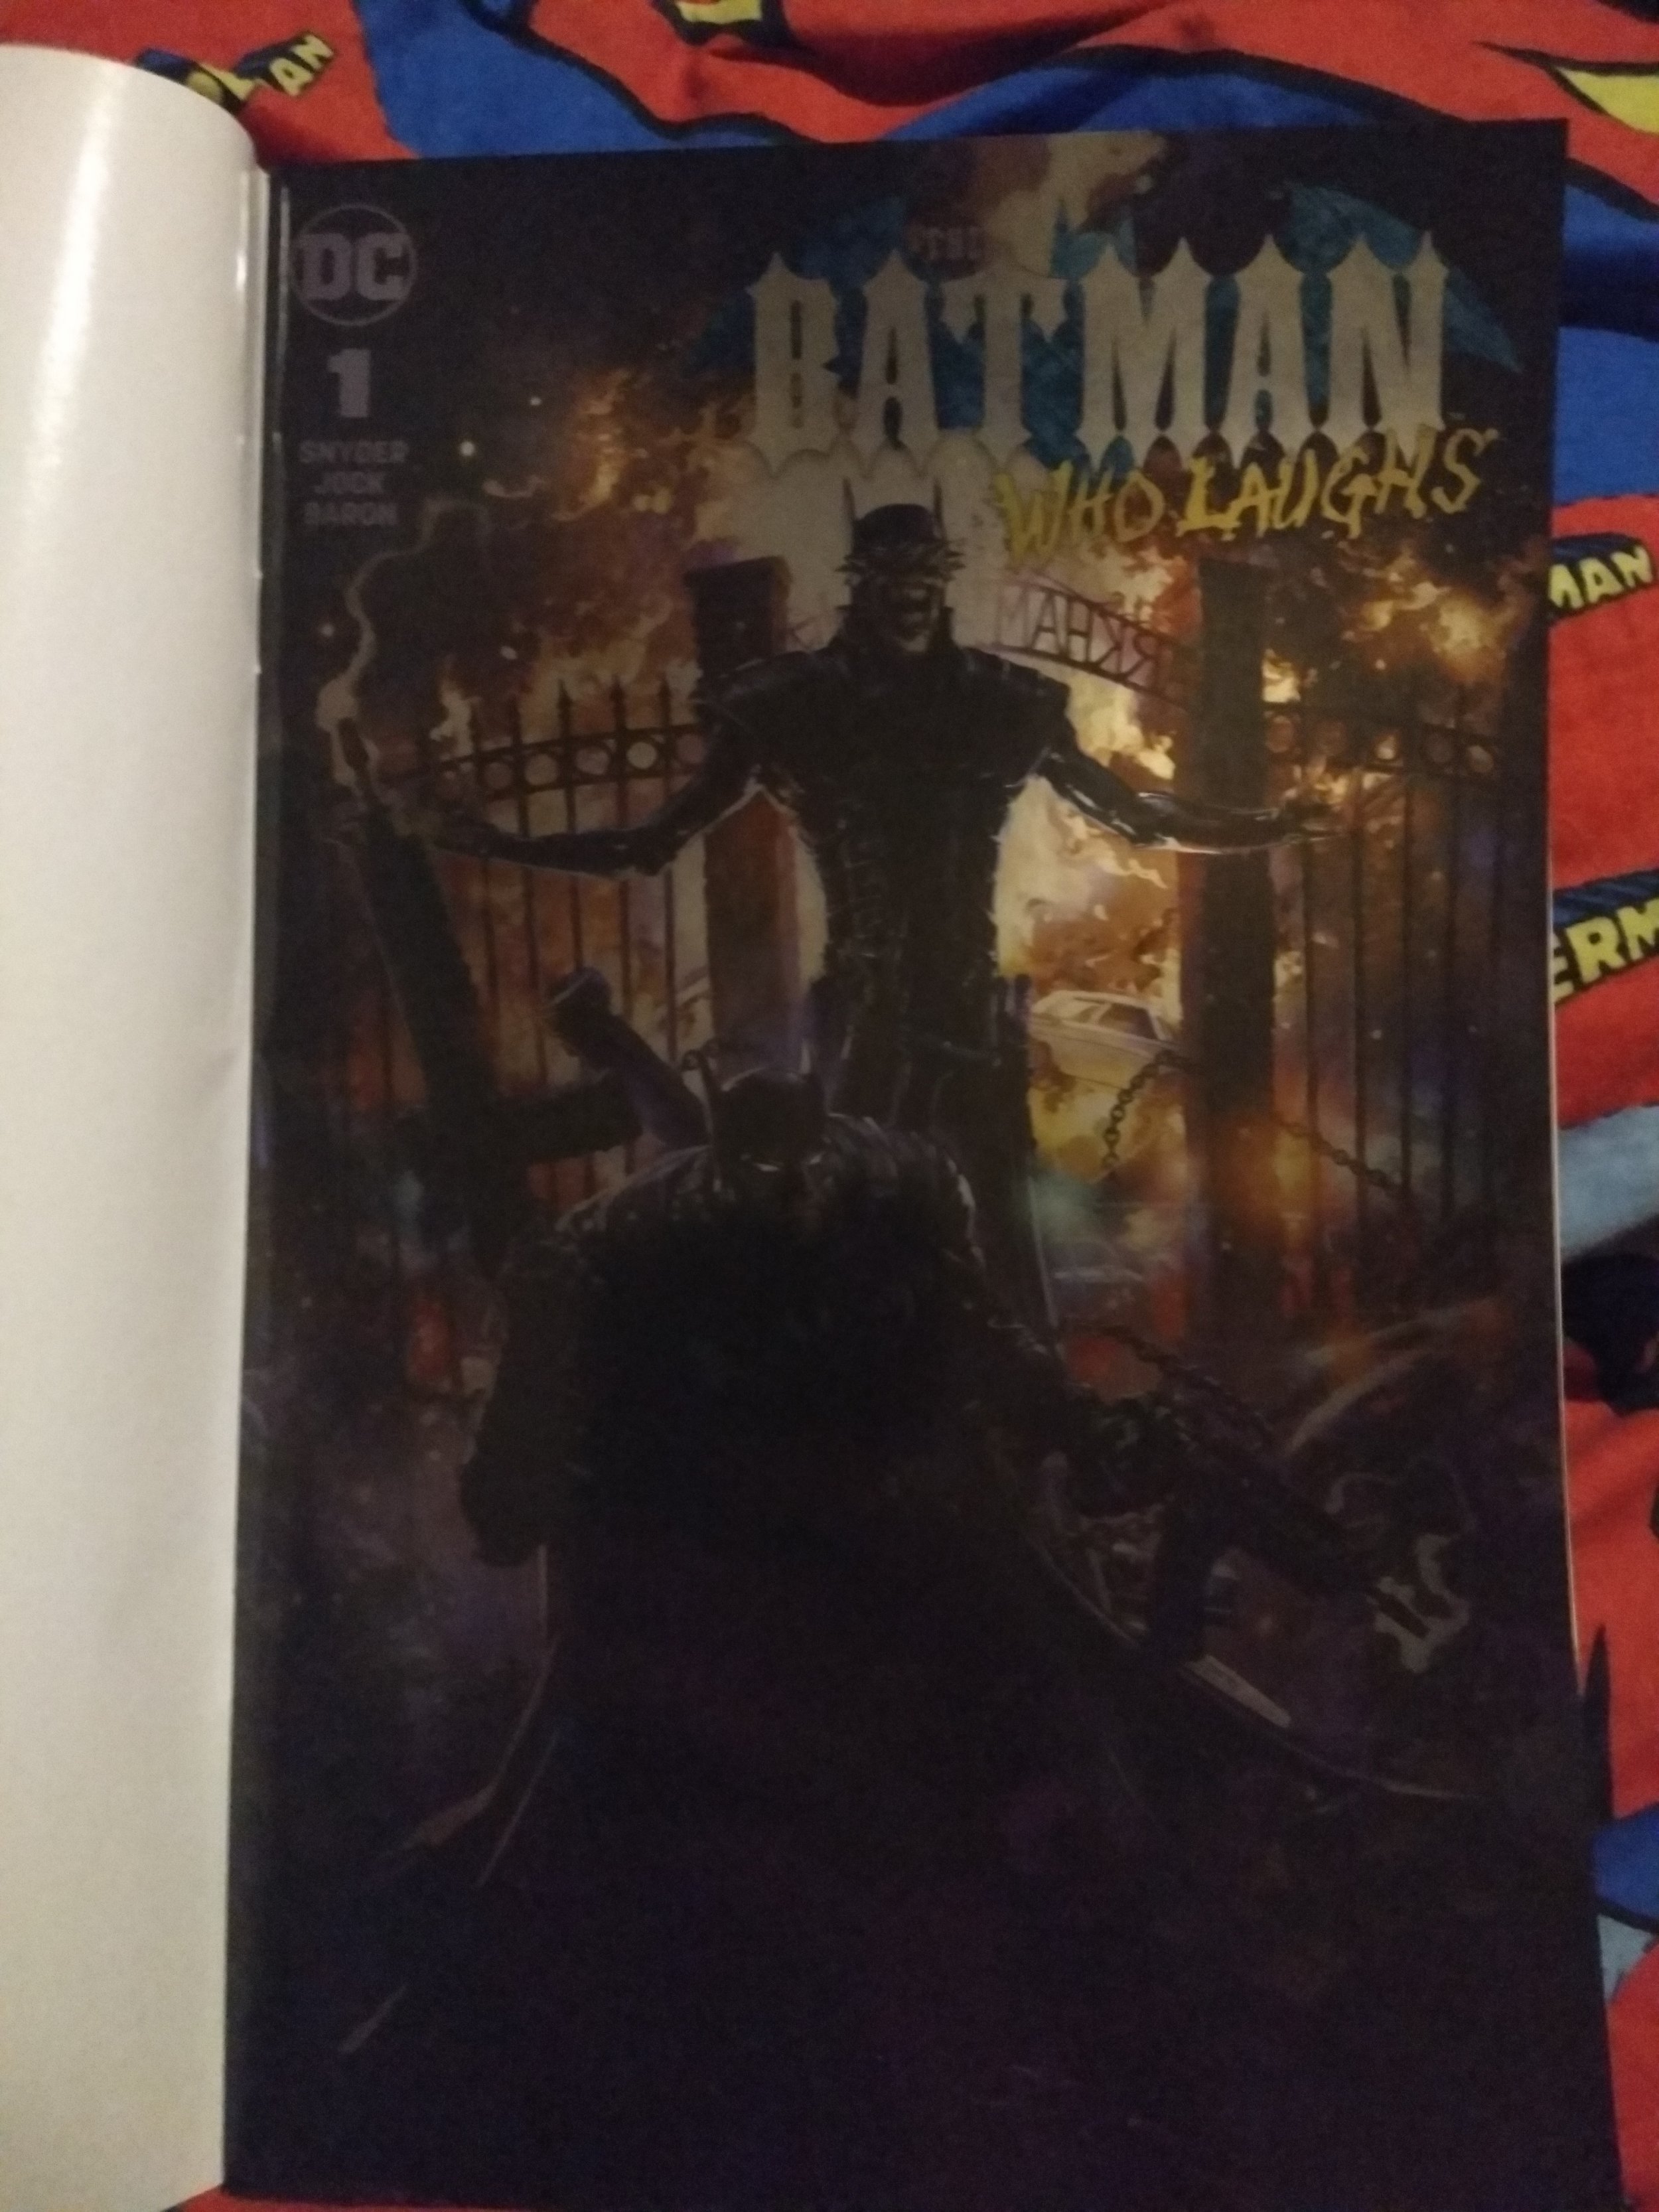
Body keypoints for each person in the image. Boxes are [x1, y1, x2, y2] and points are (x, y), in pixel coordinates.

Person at [430, 499, 1329, 1313]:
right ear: (861, 586)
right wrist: (497, 845)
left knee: (1004, 1244)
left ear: (943, 585)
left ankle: (1020, 1409)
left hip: (970, 1013)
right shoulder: (793, 705)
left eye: (925, 579)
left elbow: (1136, 814)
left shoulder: (1001, 704)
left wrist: (1271, 824)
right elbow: (651, 842)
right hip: (868, 1018)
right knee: (844, 1238)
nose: (910, 597)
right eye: (892, 580)